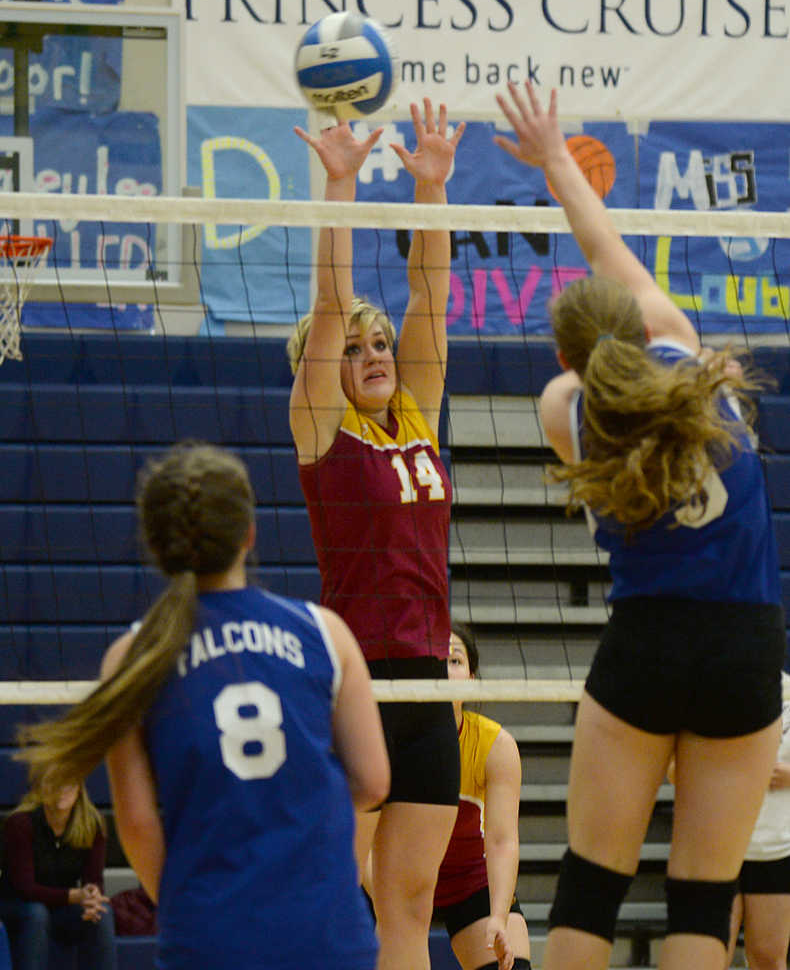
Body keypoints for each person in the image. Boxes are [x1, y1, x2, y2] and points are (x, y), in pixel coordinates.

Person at [492, 80, 785, 970]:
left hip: (647, 641)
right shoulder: (695, 362)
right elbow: (606, 250)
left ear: (564, 355)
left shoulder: (564, 408)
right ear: (639, 322)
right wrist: (556, 159)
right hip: (743, 648)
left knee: (590, 882)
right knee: (703, 893)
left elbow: (593, 345)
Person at [16, 442, 389, 970]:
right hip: (326, 928)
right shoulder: (325, 634)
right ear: (249, 534)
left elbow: (140, 824)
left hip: (209, 933)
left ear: (156, 544)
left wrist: (189, 906)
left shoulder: (131, 656)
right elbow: (373, 783)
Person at [288, 99, 465, 970]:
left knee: (411, 899)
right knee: (334, 892)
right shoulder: (322, 426)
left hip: (429, 683)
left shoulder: (418, 413)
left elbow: (430, 295)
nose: (373, 353)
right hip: (354, 682)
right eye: (356, 346)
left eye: (379, 341)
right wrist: (342, 183)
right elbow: (328, 305)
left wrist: (431, 189)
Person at [433, 623, 531, 970]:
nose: (444, 669)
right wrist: (394, 903)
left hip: (468, 881)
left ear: (472, 677)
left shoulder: (495, 746)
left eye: (455, 660)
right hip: (402, 879)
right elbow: (369, 848)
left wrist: (499, 916)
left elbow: (503, 841)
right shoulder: (389, 738)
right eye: (434, 659)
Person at [0, 774, 116, 970]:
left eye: (68, 781)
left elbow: (94, 879)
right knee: (37, 913)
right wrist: (74, 896)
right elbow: (25, 888)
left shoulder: (93, 824)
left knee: (100, 913)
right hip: (16, 905)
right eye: (53, 782)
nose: (61, 789)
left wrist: (92, 895)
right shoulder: (20, 824)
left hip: (60, 907)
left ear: (79, 788)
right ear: (41, 789)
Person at [723, 675, 790, 970]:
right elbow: (674, 770)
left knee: (768, 957)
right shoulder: (711, 690)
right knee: (707, 956)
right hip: (717, 847)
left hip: (775, 847)